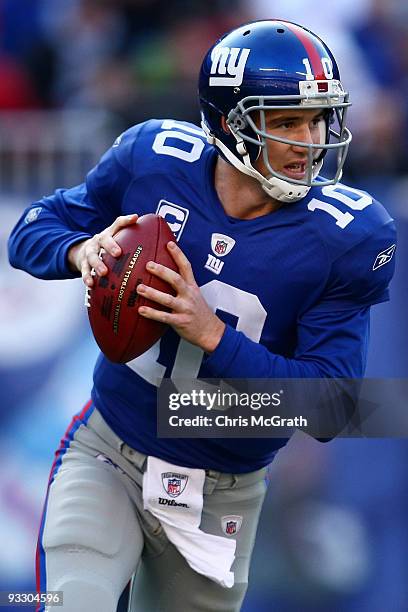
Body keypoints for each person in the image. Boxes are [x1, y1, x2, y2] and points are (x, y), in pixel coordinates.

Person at [8, 19, 396, 612]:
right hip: (111, 452)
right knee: (69, 602)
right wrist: (80, 250)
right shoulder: (154, 161)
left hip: (222, 496)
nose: (309, 140)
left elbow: (331, 406)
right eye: (287, 121)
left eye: (318, 118)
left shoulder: (347, 237)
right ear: (229, 123)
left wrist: (212, 335)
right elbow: (31, 231)